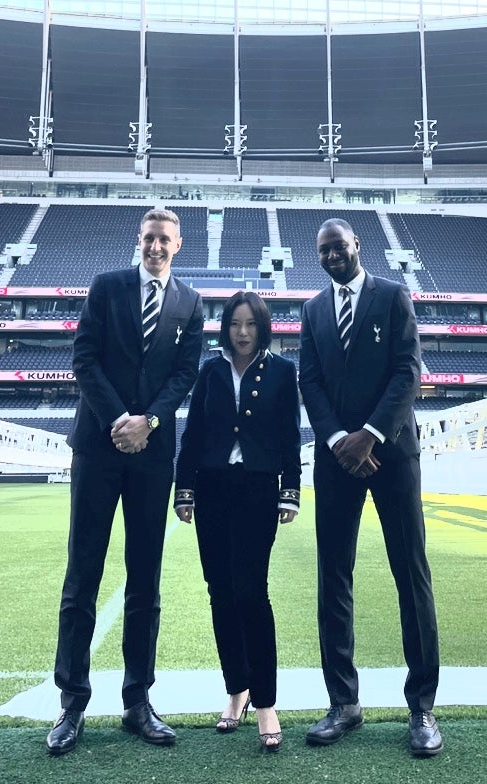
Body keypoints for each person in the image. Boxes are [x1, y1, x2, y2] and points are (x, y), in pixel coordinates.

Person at [46, 208, 204, 756]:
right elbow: (84, 359)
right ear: (138, 242)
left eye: (164, 239)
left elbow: (185, 373)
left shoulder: (189, 302)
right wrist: (121, 421)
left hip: (152, 454)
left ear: (178, 245)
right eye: (148, 238)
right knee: (82, 573)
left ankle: (138, 700)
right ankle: (72, 703)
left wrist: (150, 422)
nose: (155, 246)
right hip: (99, 446)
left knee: (146, 580)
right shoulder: (107, 286)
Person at [298, 218, 443, 758]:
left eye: (339, 247)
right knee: (333, 576)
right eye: (323, 251)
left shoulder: (393, 296)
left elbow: (408, 371)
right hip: (337, 460)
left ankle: (422, 706)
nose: (332, 256)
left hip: (393, 454)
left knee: (411, 571)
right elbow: (308, 380)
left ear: (357, 246)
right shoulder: (313, 310)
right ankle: (344, 702)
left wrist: (370, 435)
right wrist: (339, 439)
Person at [174, 291, 301, 752]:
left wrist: (290, 492)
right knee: (220, 593)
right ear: (224, 327)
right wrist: (183, 489)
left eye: (250, 324)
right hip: (211, 490)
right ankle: (236, 691)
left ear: (262, 326)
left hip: (258, 490)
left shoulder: (284, 372)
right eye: (234, 324)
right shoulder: (210, 369)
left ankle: (266, 701)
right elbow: (194, 432)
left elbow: (289, 434)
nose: (242, 332)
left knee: (251, 591)